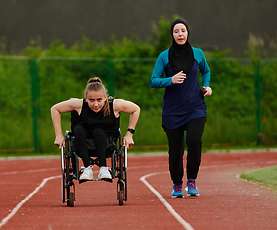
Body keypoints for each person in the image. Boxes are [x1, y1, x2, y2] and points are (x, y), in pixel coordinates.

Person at [150, 19, 212, 198]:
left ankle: (191, 180)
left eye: (183, 30)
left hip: (196, 107)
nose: (180, 34)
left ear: (187, 33)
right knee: (175, 150)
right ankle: (177, 184)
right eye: (176, 31)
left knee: (194, 142)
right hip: (172, 111)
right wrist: (170, 80)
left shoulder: (198, 54)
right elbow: (153, 80)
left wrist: (206, 86)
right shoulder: (164, 56)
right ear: (172, 34)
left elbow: (205, 71)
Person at [51, 77, 140, 180]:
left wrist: (129, 134)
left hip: (107, 141)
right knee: (78, 129)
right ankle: (87, 168)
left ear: (105, 97)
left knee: (98, 131)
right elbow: (55, 109)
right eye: (91, 100)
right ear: (85, 98)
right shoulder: (79, 104)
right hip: (83, 139)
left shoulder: (115, 105)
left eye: (99, 100)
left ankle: (103, 168)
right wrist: (58, 135)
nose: (96, 104)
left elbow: (136, 109)